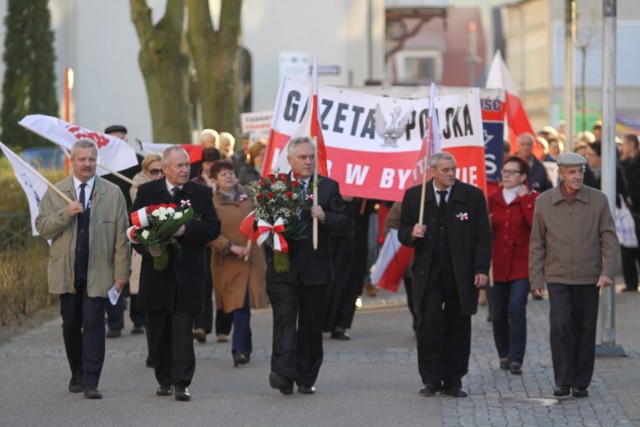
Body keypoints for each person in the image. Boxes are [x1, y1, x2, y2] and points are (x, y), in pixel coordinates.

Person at [35, 138, 130, 399]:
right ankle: (76, 372)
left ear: (96, 161)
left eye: (91, 159)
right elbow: (42, 227)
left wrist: (122, 274)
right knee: (70, 325)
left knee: (94, 324)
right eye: (82, 159)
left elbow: (122, 237)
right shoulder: (56, 191)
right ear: (72, 160)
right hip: (67, 272)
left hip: (99, 272)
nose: (87, 164)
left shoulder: (112, 193)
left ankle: (91, 381)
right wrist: (66, 212)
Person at [398, 151, 493, 398]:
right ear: (433, 172)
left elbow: (483, 236)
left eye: (453, 169)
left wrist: (482, 269)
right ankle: (430, 379)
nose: (451, 174)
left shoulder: (471, 196)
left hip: (460, 273)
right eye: (445, 170)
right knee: (429, 322)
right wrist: (412, 233)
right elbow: (402, 232)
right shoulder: (414, 196)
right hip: (428, 273)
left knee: (458, 325)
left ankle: (453, 380)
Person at [132, 146, 221, 402]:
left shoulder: (200, 193)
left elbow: (213, 227)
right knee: (158, 333)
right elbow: (134, 229)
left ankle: (182, 382)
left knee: (183, 330)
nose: (184, 169)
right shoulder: (149, 192)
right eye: (178, 165)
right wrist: (149, 249)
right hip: (157, 276)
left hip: (188, 274)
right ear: (166, 168)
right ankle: (164, 379)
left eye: (186, 165)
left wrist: (186, 230)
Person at [529, 152, 619, 399]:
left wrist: (608, 271)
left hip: (589, 277)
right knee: (560, 326)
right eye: (572, 172)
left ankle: (581, 382)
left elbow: (609, 238)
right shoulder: (545, 202)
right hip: (556, 276)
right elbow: (537, 243)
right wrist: (536, 279)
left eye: (581, 171)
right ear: (560, 173)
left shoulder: (598, 200)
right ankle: (563, 381)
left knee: (585, 329)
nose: (578, 176)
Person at [266, 136, 349, 396]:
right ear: (289, 160)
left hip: (316, 268)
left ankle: (306, 375)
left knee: (312, 325)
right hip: (283, 268)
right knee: (285, 321)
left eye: (311, 157)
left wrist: (325, 216)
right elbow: (262, 225)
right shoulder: (275, 187)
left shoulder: (327, 187)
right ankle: (282, 374)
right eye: (302, 157)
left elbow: (345, 224)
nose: (308, 161)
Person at [209, 160, 269, 366]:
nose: (228, 176)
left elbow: (262, 217)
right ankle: (241, 348)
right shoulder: (212, 203)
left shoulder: (250, 195)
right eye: (223, 174)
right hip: (229, 261)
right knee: (238, 304)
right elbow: (210, 233)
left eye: (230, 172)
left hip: (252, 258)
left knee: (244, 304)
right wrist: (231, 246)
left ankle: (241, 348)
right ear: (214, 180)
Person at [489, 156, 539, 376]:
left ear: (523, 177)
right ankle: (503, 353)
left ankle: (516, 358)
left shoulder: (532, 199)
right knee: (498, 312)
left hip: (521, 262)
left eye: (512, 172)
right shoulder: (492, 199)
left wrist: (526, 200)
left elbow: (536, 227)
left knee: (516, 309)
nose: (507, 175)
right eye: (505, 171)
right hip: (497, 263)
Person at [190, 146, 230, 344]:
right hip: (204, 243)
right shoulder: (194, 183)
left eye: (213, 162)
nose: (210, 166)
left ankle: (223, 329)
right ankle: (201, 326)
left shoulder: (227, 181)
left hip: (225, 241)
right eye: (207, 163)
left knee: (224, 286)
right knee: (203, 284)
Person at [129, 153, 164, 337]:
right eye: (154, 171)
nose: (158, 175)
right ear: (146, 171)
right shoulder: (138, 187)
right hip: (146, 241)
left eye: (161, 170)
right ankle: (139, 320)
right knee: (140, 283)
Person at [620, 133, 640, 292]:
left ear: (632, 144)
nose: (622, 148)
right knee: (626, 247)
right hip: (627, 211)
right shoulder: (622, 164)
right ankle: (631, 283)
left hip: (638, 209)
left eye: (624, 144)